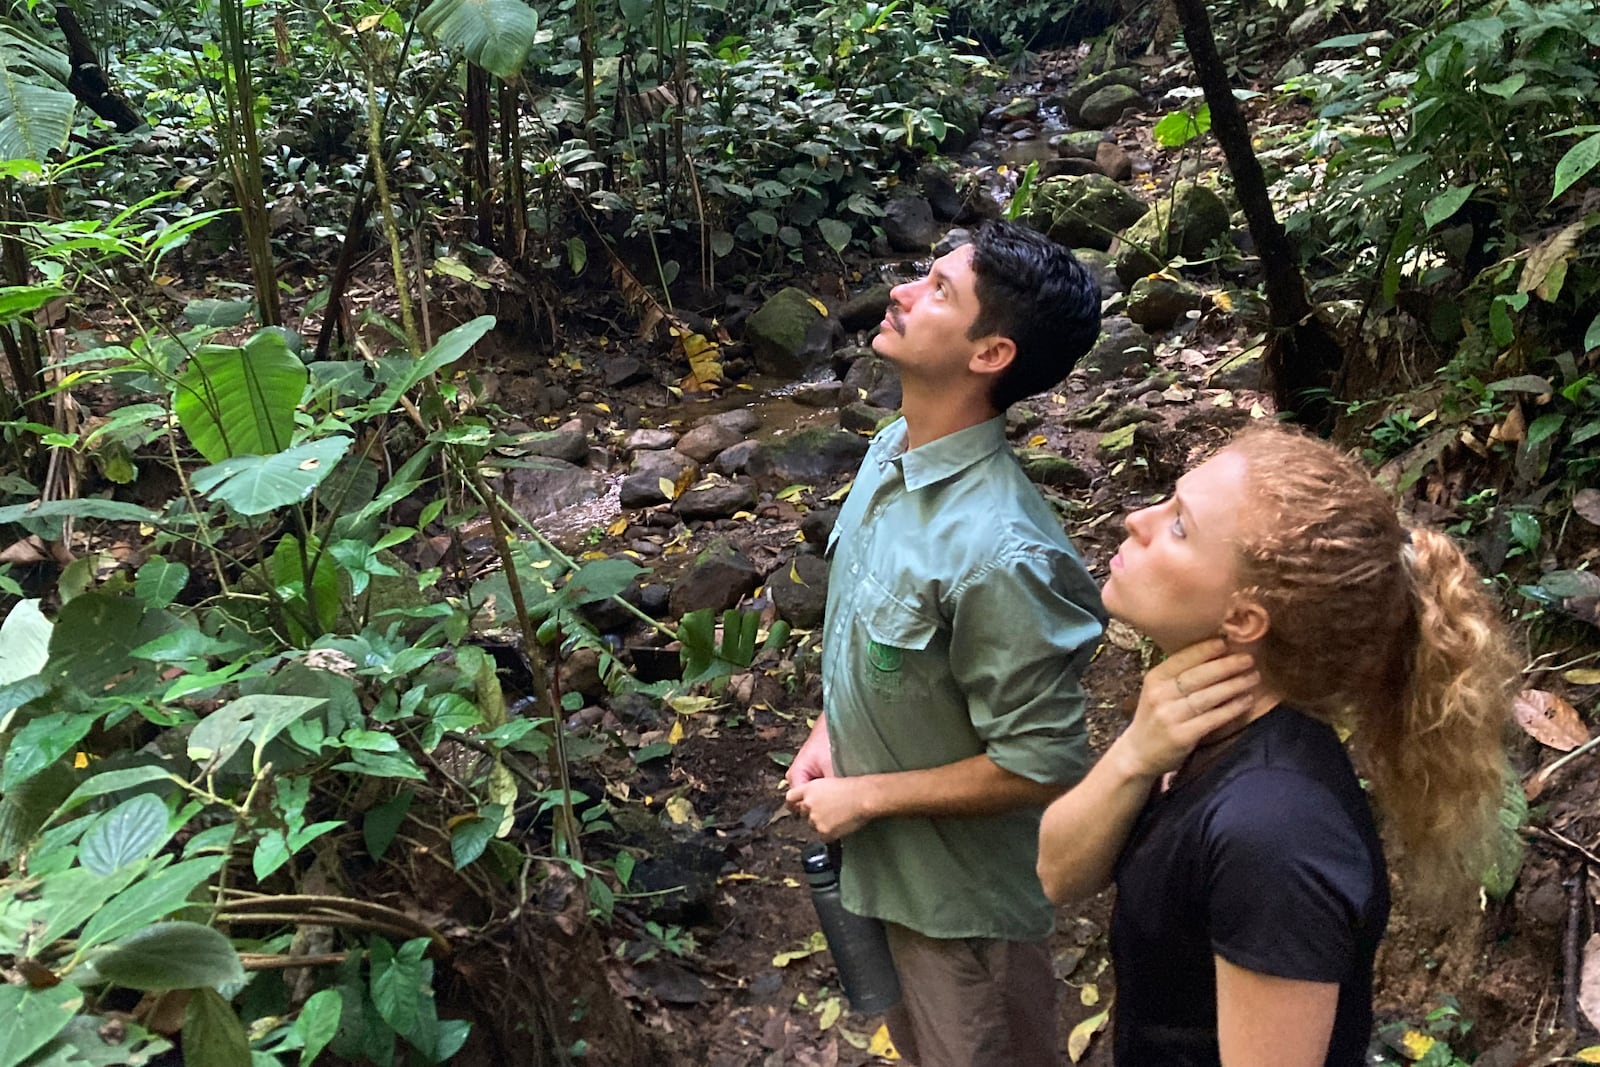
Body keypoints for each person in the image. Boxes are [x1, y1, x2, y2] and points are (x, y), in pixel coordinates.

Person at [1036, 426, 1517, 1067]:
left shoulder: (1275, 831)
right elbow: (1057, 874)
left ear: (1244, 619)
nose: (1136, 519)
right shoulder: (1194, 723)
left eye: (1180, 526)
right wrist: (1134, 754)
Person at [784, 219, 1105, 1067]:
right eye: (924, 275)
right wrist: (828, 732)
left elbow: (1044, 762)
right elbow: (865, 623)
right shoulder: (892, 450)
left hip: (963, 910)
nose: (900, 291)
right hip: (883, 875)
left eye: (938, 291)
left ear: (990, 354)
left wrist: (869, 796)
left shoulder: (1004, 552)